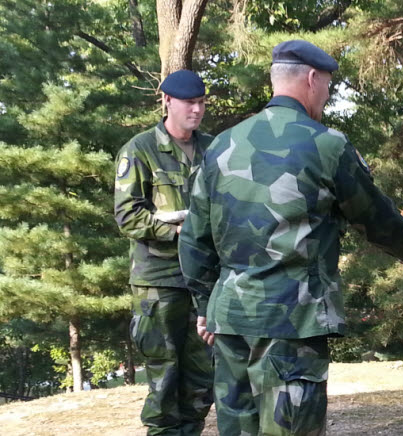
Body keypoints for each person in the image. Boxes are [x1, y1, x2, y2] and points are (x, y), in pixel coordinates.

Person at [178, 40, 403, 435]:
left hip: (231, 323)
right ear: (312, 79)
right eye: (327, 84)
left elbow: (193, 239)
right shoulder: (326, 145)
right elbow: (373, 215)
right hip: (292, 323)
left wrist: (206, 306)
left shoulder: (220, 145)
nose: (327, 95)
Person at [113, 69, 215, 436]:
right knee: (165, 373)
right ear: (167, 101)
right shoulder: (140, 149)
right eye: (190, 103)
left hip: (204, 279)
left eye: (202, 102)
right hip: (159, 281)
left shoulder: (214, 149)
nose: (197, 110)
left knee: (203, 376)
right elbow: (127, 215)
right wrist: (177, 231)